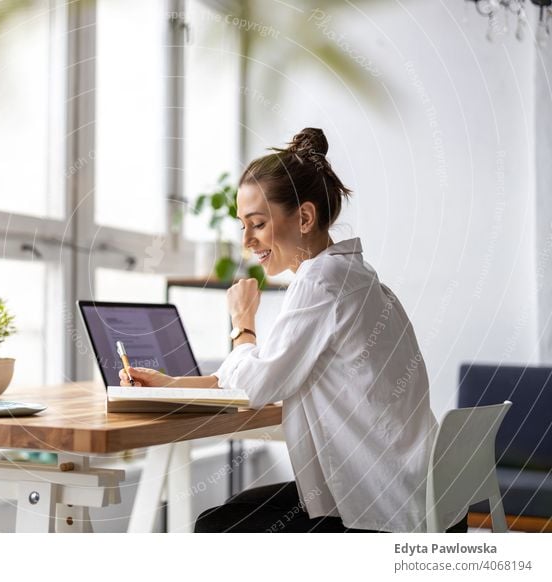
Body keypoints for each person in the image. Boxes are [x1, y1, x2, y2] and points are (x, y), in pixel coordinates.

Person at [119, 127, 468, 533]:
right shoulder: (354, 276)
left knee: (217, 527)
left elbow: (254, 388)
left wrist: (242, 325)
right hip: (423, 499)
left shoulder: (321, 283)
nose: (247, 240)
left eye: (258, 224)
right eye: (242, 225)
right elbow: (258, 375)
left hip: (384, 514)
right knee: (224, 519)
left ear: (304, 217)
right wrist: (169, 384)